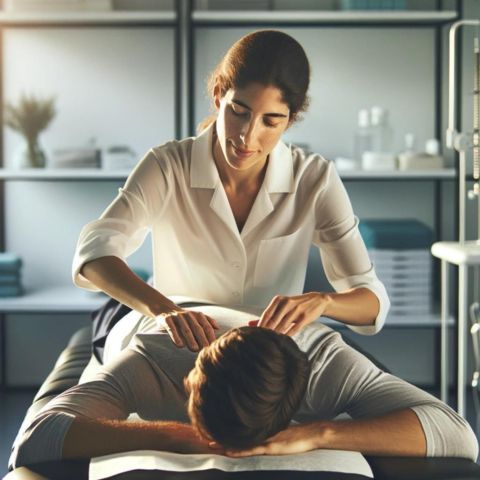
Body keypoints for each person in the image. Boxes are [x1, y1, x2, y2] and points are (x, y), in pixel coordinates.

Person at [72, 29, 390, 355]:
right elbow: (93, 256)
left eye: (271, 121)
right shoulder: (168, 164)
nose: (247, 137)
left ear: (290, 120)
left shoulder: (314, 178)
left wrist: (322, 301)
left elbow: (372, 302)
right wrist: (165, 310)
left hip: (263, 357)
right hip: (178, 343)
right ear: (218, 94)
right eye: (239, 111)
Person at [10, 305, 478, 468]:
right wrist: (178, 434)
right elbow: (33, 439)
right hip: (143, 316)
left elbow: (458, 435)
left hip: (252, 308)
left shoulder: (329, 364)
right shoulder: (148, 360)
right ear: (191, 378)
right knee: (110, 316)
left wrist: (313, 434)